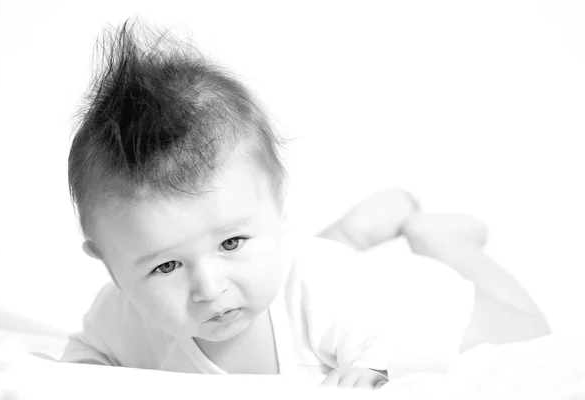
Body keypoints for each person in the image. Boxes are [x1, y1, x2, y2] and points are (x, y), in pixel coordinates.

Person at [60, 20, 550, 389]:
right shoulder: (118, 318)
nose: (209, 288)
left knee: (534, 336)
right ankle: (350, 234)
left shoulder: (329, 290)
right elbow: (85, 361)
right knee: (307, 277)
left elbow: (403, 347)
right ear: (109, 263)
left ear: (278, 204)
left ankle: (448, 243)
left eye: (232, 241)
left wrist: (373, 369)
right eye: (166, 266)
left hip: (415, 310)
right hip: (320, 285)